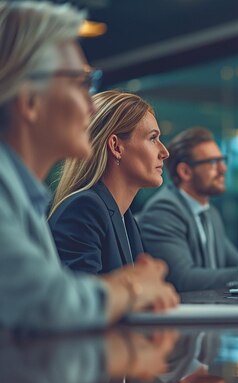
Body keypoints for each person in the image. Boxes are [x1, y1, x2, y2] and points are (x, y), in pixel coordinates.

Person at [0, 1, 178, 332]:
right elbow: (48, 305)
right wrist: (134, 286)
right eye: (80, 83)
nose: (89, 103)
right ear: (29, 100)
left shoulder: (24, 197)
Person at [139, 127, 238, 291]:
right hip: (184, 314)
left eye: (222, 160)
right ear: (185, 172)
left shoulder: (209, 213)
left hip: (214, 311)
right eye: (213, 163)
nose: (223, 169)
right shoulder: (163, 211)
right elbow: (183, 279)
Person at [49, 90, 169, 275]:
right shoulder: (84, 209)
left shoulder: (125, 217)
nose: (164, 152)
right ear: (116, 146)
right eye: (152, 138)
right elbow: (86, 300)